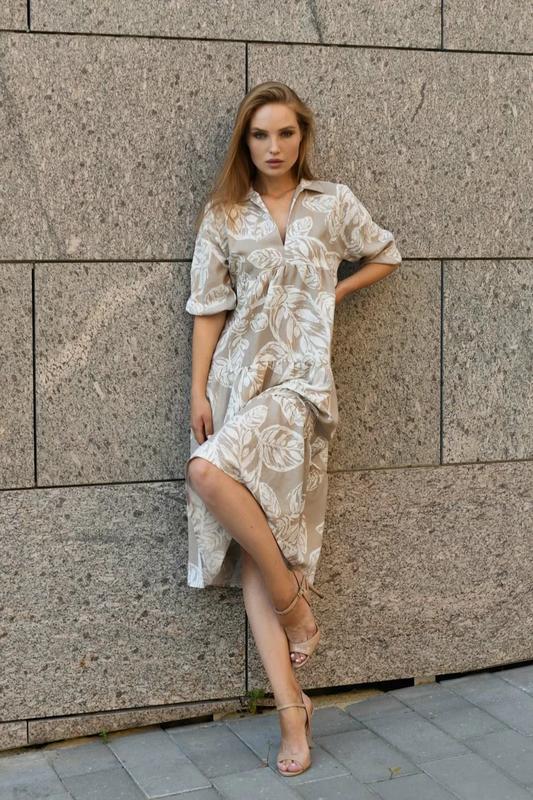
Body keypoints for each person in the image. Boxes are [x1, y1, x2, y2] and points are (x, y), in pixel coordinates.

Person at [184, 81, 402, 777]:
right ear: (244, 142)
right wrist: (198, 389)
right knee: (256, 540)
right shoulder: (224, 213)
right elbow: (208, 307)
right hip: (237, 382)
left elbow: (386, 254)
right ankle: (291, 708)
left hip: (301, 385)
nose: (273, 147)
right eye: (260, 135)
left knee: (206, 474)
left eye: (285, 133)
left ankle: (292, 605)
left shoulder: (331, 203)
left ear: (302, 137)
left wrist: (332, 293)